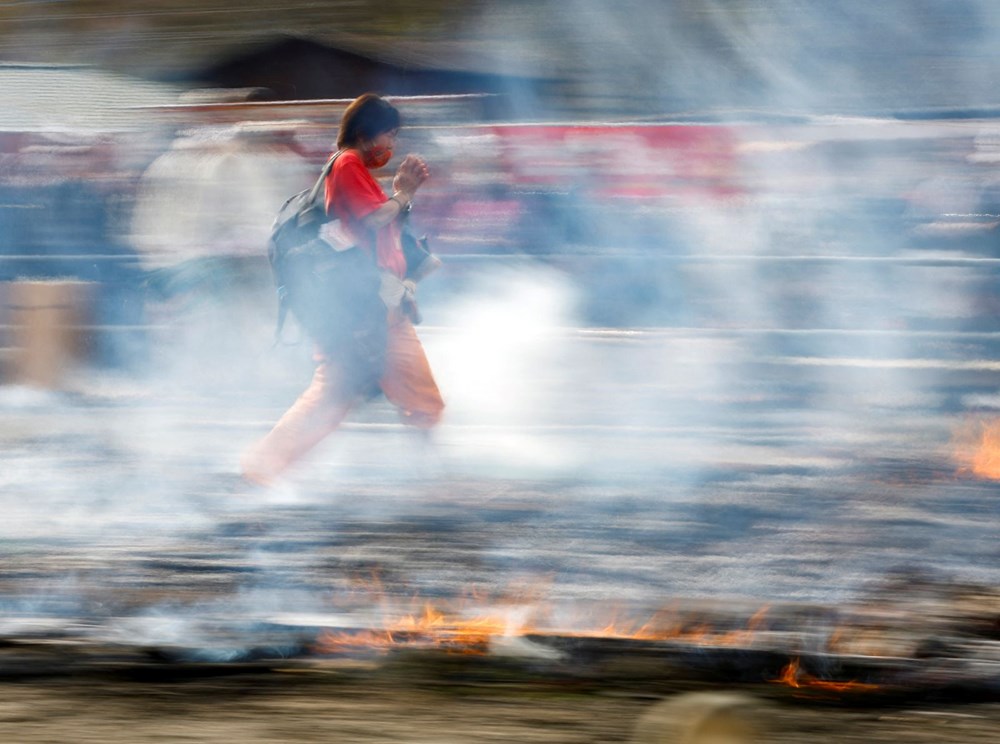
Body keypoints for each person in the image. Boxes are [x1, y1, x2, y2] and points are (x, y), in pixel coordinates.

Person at [241, 93, 444, 485]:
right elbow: (373, 220)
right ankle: (261, 468)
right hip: (360, 306)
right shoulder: (348, 163)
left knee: (420, 394)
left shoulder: (358, 171)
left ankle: (427, 476)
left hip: (384, 305)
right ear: (368, 132)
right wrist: (404, 192)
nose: (392, 144)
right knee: (333, 394)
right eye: (390, 134)